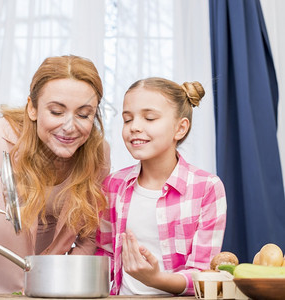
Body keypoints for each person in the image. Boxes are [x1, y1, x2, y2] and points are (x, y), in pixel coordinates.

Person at [0, 55, 110, 293]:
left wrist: (59, 282)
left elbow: (89, 238)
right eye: (57, 111)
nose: (70, 126)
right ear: (32, 108)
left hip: (39, 290)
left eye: (83, 114)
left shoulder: (97, 155)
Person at [95, 77, 227, 296]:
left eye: (149, 118)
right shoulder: (112, 185)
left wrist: (157, 279)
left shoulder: (207, 188)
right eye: (127, 120)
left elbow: (203, 276)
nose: (134, 127)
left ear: (180, 128)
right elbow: (104, 256)